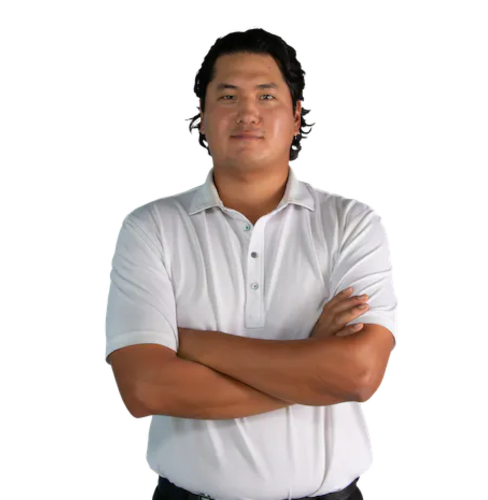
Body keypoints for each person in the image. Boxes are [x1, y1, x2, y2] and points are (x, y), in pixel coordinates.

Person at [103, 25, 398, 500]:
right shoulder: (150, 227)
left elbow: (359, 375)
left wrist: (190, 344)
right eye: (227, 96)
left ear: (297, 115)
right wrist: (311, 361)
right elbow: (144, 389)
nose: (247, 113)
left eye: (266, 95)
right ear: (202, 116)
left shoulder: (352, 223)